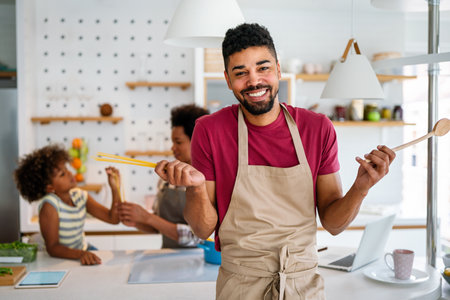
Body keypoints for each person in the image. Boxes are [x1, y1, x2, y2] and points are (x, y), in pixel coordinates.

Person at [155, 23, 395, 299]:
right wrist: (195, 187)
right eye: (240, 73)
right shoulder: (210, 130)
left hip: (302, 285)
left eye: (263, 67)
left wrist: (361, 187)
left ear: (278, 69)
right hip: (240, 285)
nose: (254, 81)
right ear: (227, 79)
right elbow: (202, 228)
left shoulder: (317, 128)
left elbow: (333, 223)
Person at [118, 104, 209, 248]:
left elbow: (199, 237)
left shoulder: (210, 181)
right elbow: (157, 224)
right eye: (172, 141)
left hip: (199, 260)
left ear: (198, 141)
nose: (173, 147)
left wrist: (148, 217)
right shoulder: (167, 179)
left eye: (178, 142)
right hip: (167, 257)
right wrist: (136, 220)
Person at [14, 144, 121, 265]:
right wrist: (81, 254)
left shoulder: (80, 196)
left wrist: (115, 188)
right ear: (50, 188)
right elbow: (53, 248)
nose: (70, 173)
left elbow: (114, 219)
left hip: (80, 250)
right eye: (62, 174)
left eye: (66, 169)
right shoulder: (50, 206)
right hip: (54, 258)